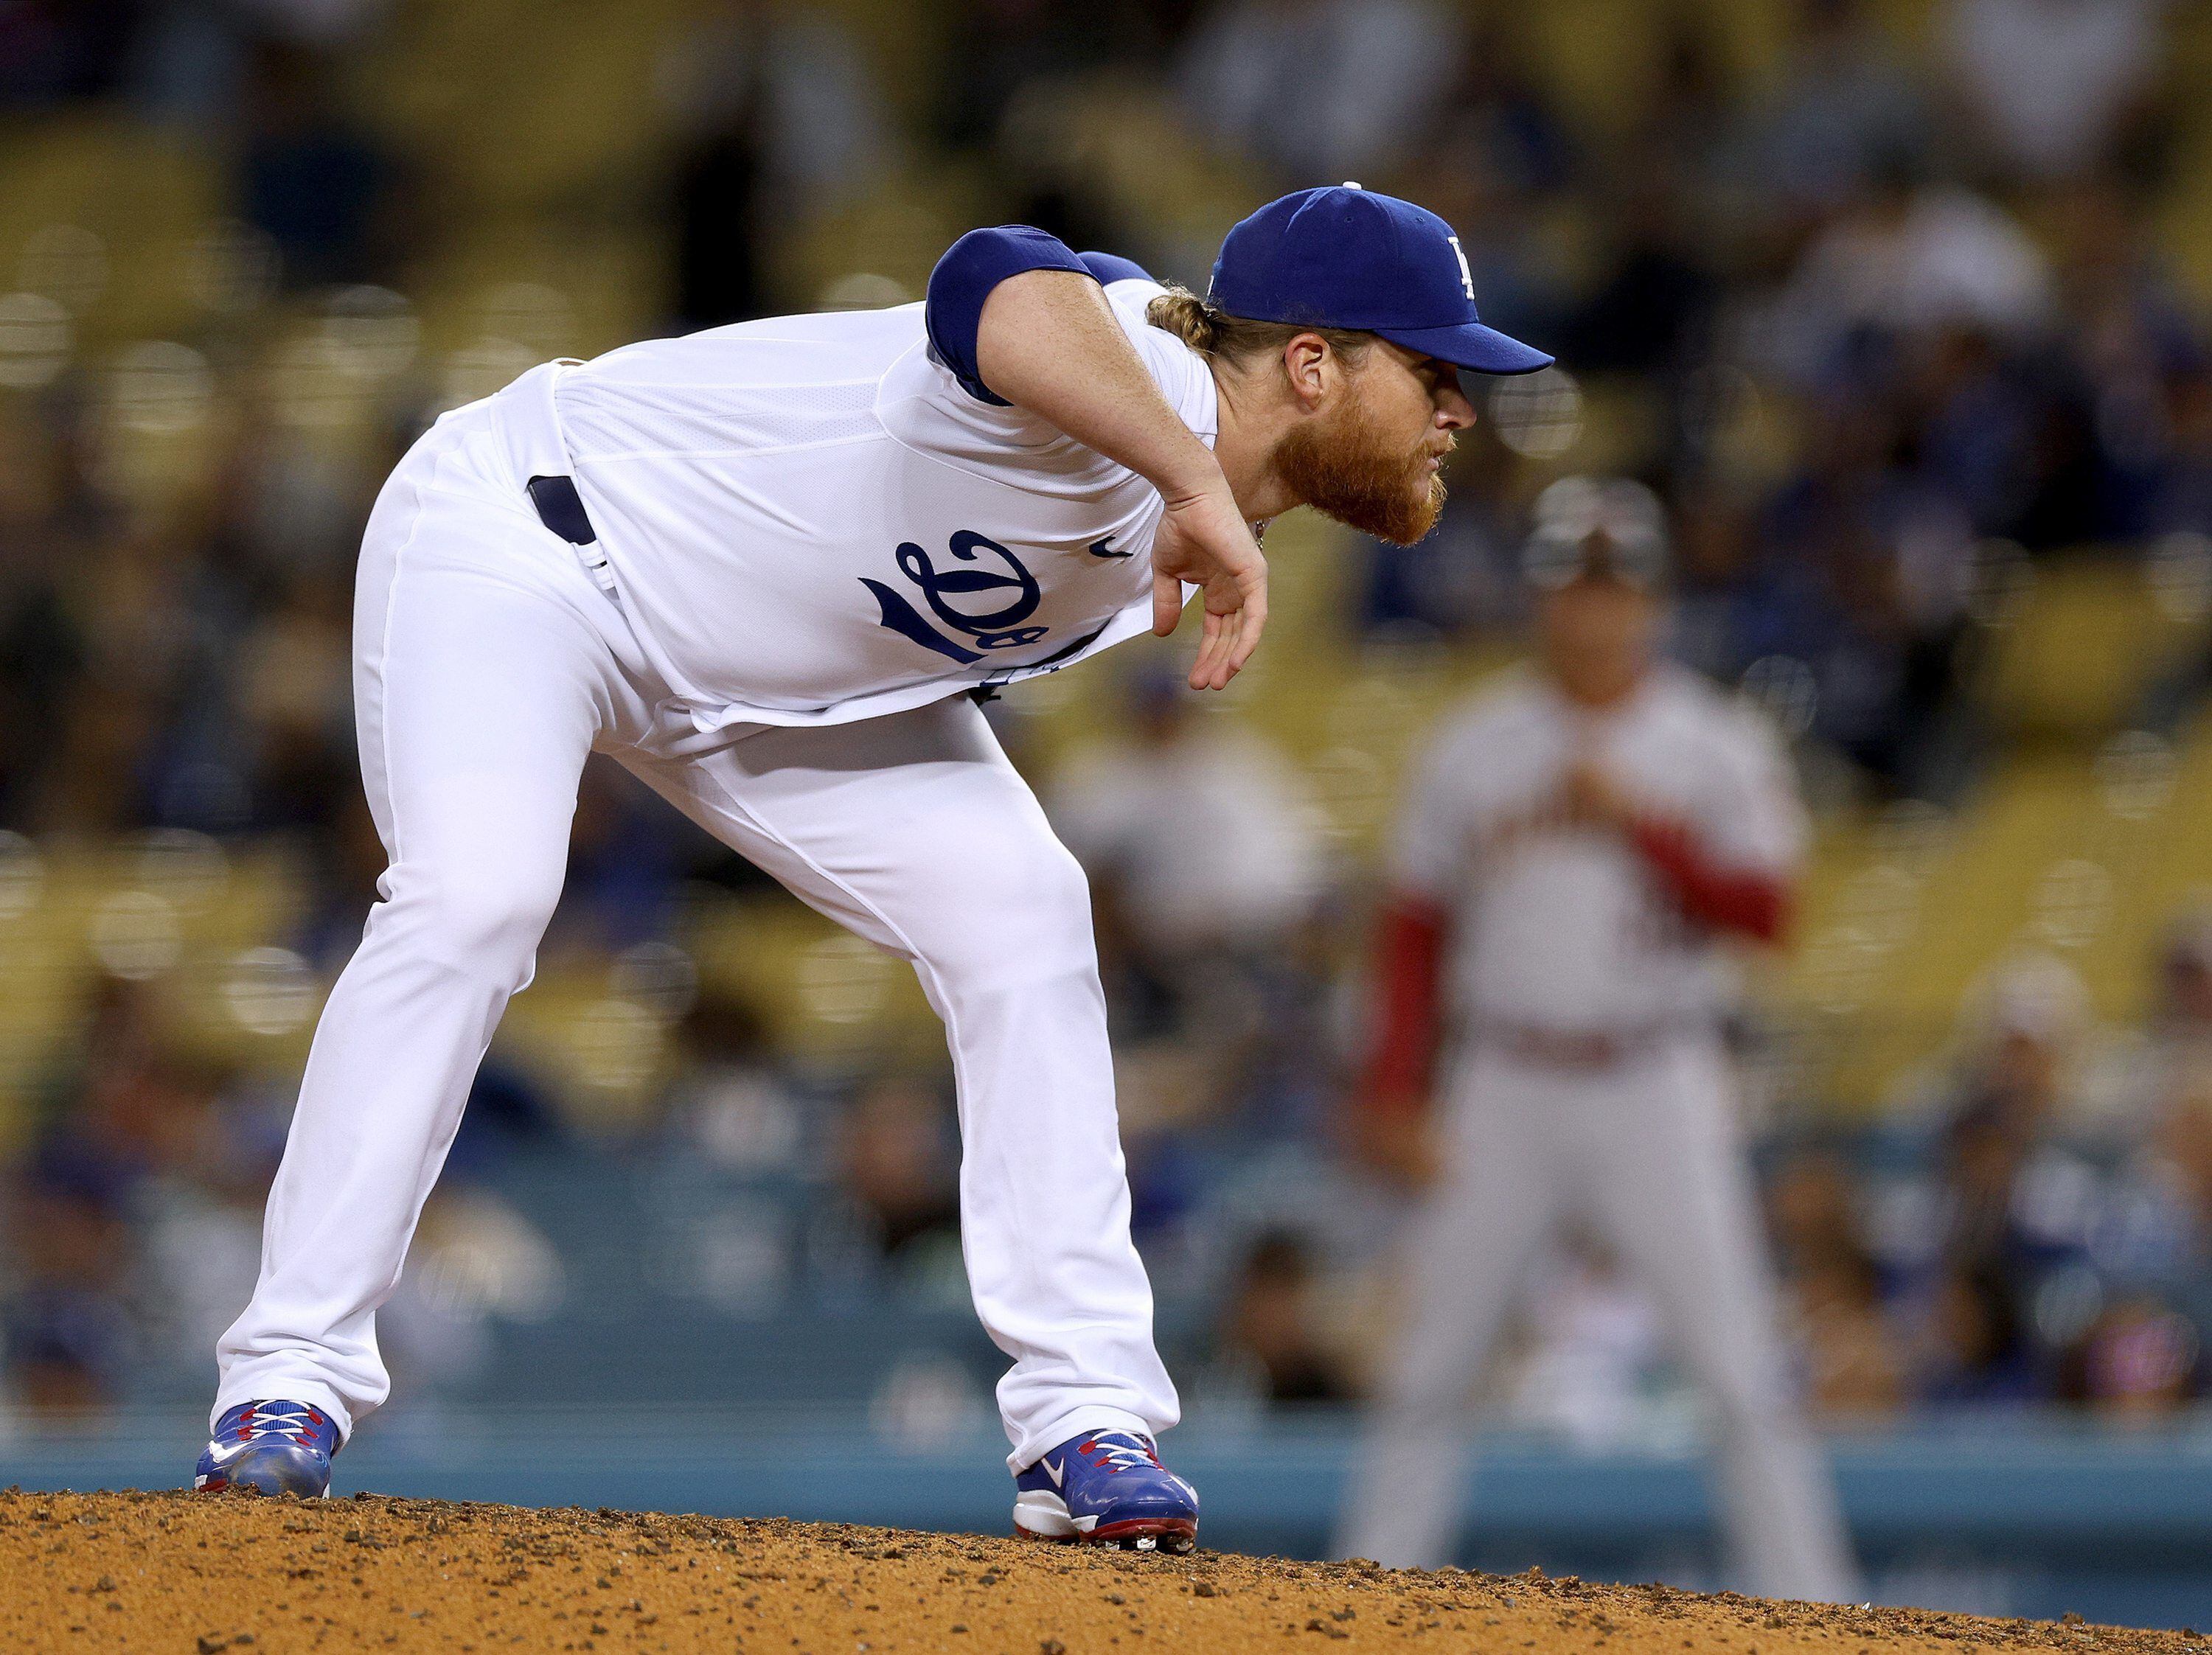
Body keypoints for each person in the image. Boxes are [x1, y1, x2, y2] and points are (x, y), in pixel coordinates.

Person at [192, 185, 1553, 1555]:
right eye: (1435, 371)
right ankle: (285, 1377)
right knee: (477, 895)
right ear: (1312, 364)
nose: (1461, 410)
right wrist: (1192, 483)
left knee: (1025, 910)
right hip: (532, 547)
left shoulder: (1171, 452)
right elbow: (998, 275)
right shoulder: (1143, 376)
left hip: (766, 690)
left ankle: (1086, 1418)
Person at [1334, 478, 1859, 1599]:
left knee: (1740, 1373)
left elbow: (1770, 916)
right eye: (1576, 584)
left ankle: (1817, 1607)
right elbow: (1415, 933)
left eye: (1617, 586)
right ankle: (1365, 1601)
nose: (1596, 609)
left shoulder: (1713, 742)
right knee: (1430, 1368)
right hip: (1504, 1078)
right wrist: (1393, 1089)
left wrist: (1646, 832)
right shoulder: (1473, 745)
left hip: (1654, 1074)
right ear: (1540, 599)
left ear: (1657, 601)